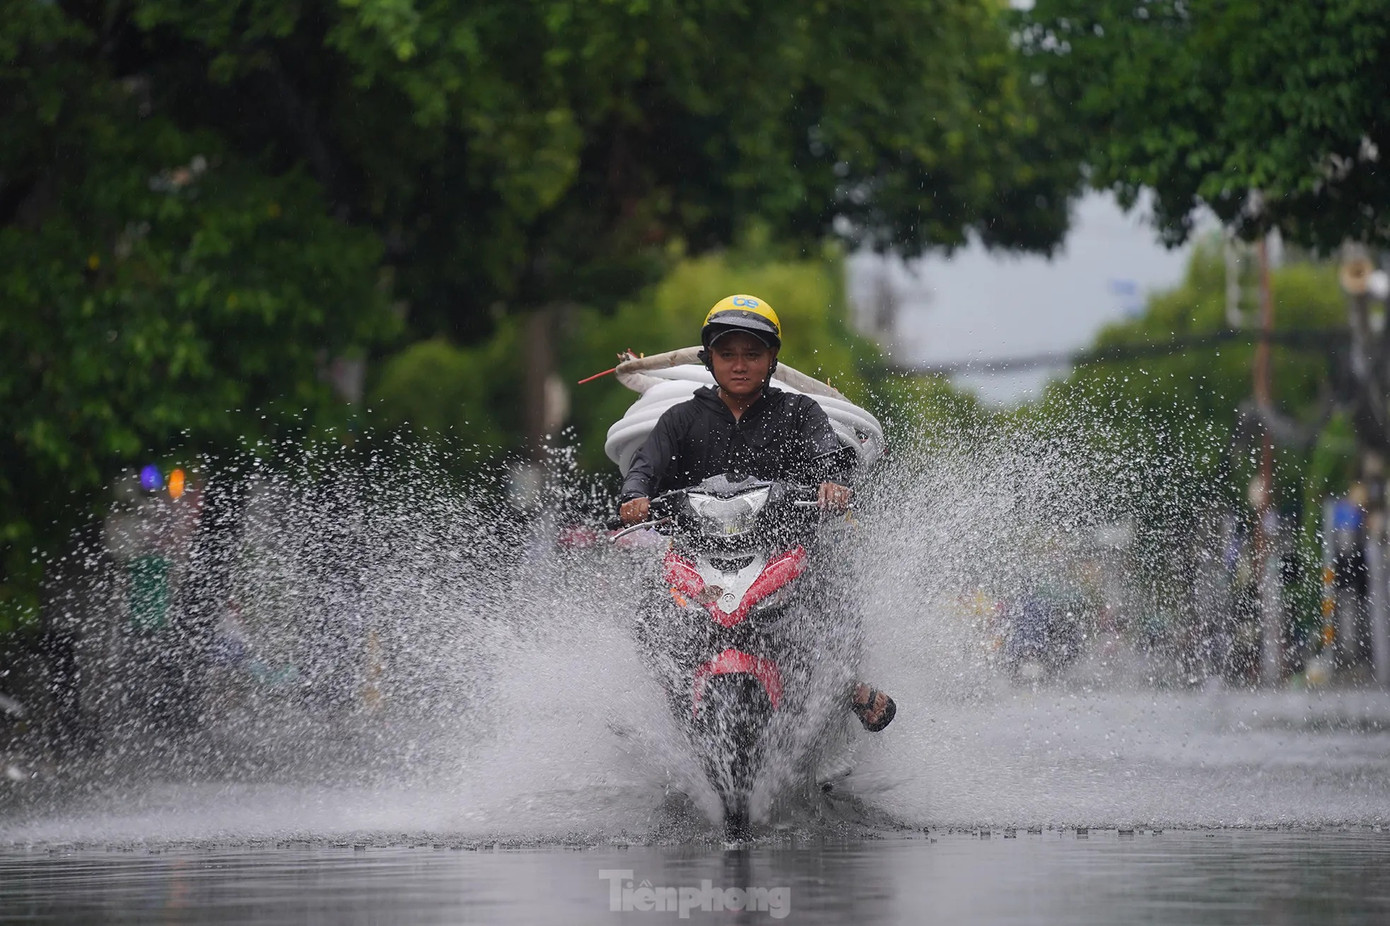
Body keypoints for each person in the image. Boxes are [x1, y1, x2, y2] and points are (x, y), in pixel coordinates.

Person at [618, 294, 896, 732]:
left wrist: (831, 483)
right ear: (710, 359)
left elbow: (830, 454)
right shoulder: (679, 418)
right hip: (697, 555)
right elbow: (644, 467)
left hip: (785, 550)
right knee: (652, 607)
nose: (740, 364)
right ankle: (659, 702)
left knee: (830, 590)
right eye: (727, 354)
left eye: (753, 354)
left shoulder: (798, 411)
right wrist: (634, 497)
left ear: (772, 359)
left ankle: (844, 686)